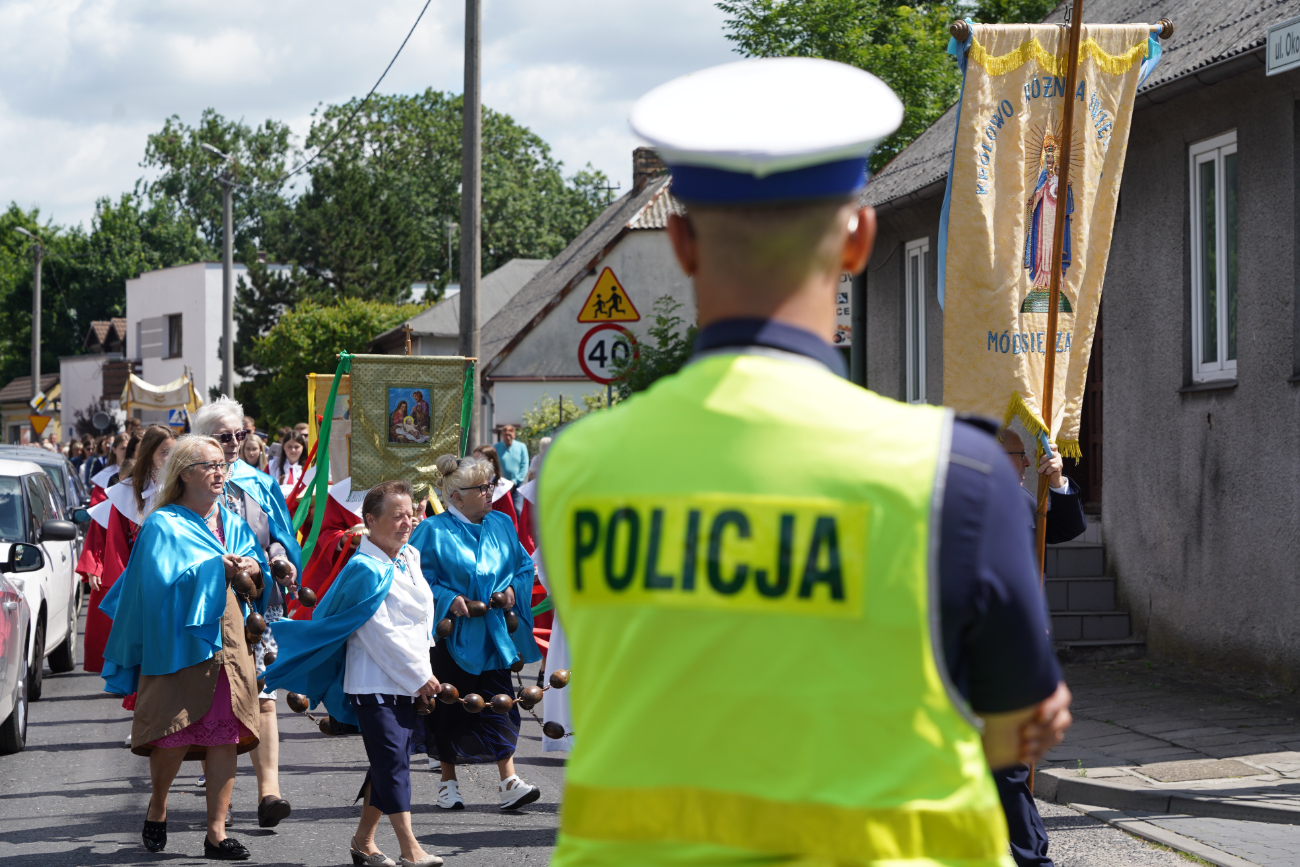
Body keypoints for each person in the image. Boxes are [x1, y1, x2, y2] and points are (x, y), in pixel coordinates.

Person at [534, 58, 1073, 867]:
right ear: (858, 238)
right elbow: (1012, 728)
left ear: (681, 239)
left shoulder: (577, 470)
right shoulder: (955, 478)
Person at [99, 435, 267, 859]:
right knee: (173, 733)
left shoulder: (232, 520)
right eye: (208, 465)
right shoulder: (162, 524)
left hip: (229, 640)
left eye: (221, 465)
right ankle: (158, 807)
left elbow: (256, 573)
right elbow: (155, 589)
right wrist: (214, 568)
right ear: (184, 474)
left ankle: (216, 833)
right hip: (178, 641)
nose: (218, 472)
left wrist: (253, 567)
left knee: (227, 734)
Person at [265, 480, 445, 867]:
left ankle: (363, 841)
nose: (407, 521)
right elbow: (379, 633)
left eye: (411, 513)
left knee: (389, 762)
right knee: (393, 763)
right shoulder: (364, 568)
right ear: (369, 521)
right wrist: (420, 677)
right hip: (375, 681)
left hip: (408, 679)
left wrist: (422, 674)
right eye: (397, 516)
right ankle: (411, 849)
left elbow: (419, 622)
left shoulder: (409, 556)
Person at [408, 454, 542, 811]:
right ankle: (447, 783)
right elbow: (414, 581)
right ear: (456, 497)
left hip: (494, 633)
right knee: (449, 707)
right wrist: (448, 598)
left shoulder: (501, 522)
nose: (489, 493)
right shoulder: (431, 531)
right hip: (452, 637)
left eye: (490, 486)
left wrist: (514, 588)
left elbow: (524, 565)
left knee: (501, 704)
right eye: (481, 488)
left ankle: (509, 780)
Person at [193, 397, 302, 829]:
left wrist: (280, 559)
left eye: (241, 434)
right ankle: (222, 802)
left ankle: (269, 792)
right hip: (212, 606)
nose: (236, 443)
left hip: (260, 604)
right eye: (224, 436)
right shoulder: (188, 483)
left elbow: (278, 535)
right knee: (220, 701)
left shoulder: (260, 482)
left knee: (264, 695)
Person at [992, 431, 1087, 867]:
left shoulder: (1029, 500)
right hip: (964, 646)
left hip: (1012, 649)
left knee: (1008, 762)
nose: (1028, 465)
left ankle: (1033, 858)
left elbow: (1068, 528)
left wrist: (1059, 482)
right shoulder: (959, 500)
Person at [81, 424, 176, 674]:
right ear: (148, 454)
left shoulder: (184, 489)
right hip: (141, 582)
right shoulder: (125, 493)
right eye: (164, 452)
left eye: (174, 453)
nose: (170, 459)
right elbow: (115, 543)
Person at [1002, 430, 1086, 545]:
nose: (1027, 462)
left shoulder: (1022, 497)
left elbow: (1067, 528)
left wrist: (1057, 482)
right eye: (1021, 455)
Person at [472, 445, 518, 530]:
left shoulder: (502, 488)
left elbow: (509, 520)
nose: (475, 465)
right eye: (474, 461)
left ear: (490, 462)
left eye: (479, 461)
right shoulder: (471, 485)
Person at [492, 425, 528, 512]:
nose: (508, 437)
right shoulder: (496, 447)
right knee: (501, 510)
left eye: (510, 434)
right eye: (506, 434)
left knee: (517, 509)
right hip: (501, 484)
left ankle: (517, 526)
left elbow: (524, 465)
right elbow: (493, 465)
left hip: (516, 484)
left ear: (514, 435)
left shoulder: (521, 447)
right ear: (502, 435)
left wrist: (515, 481)